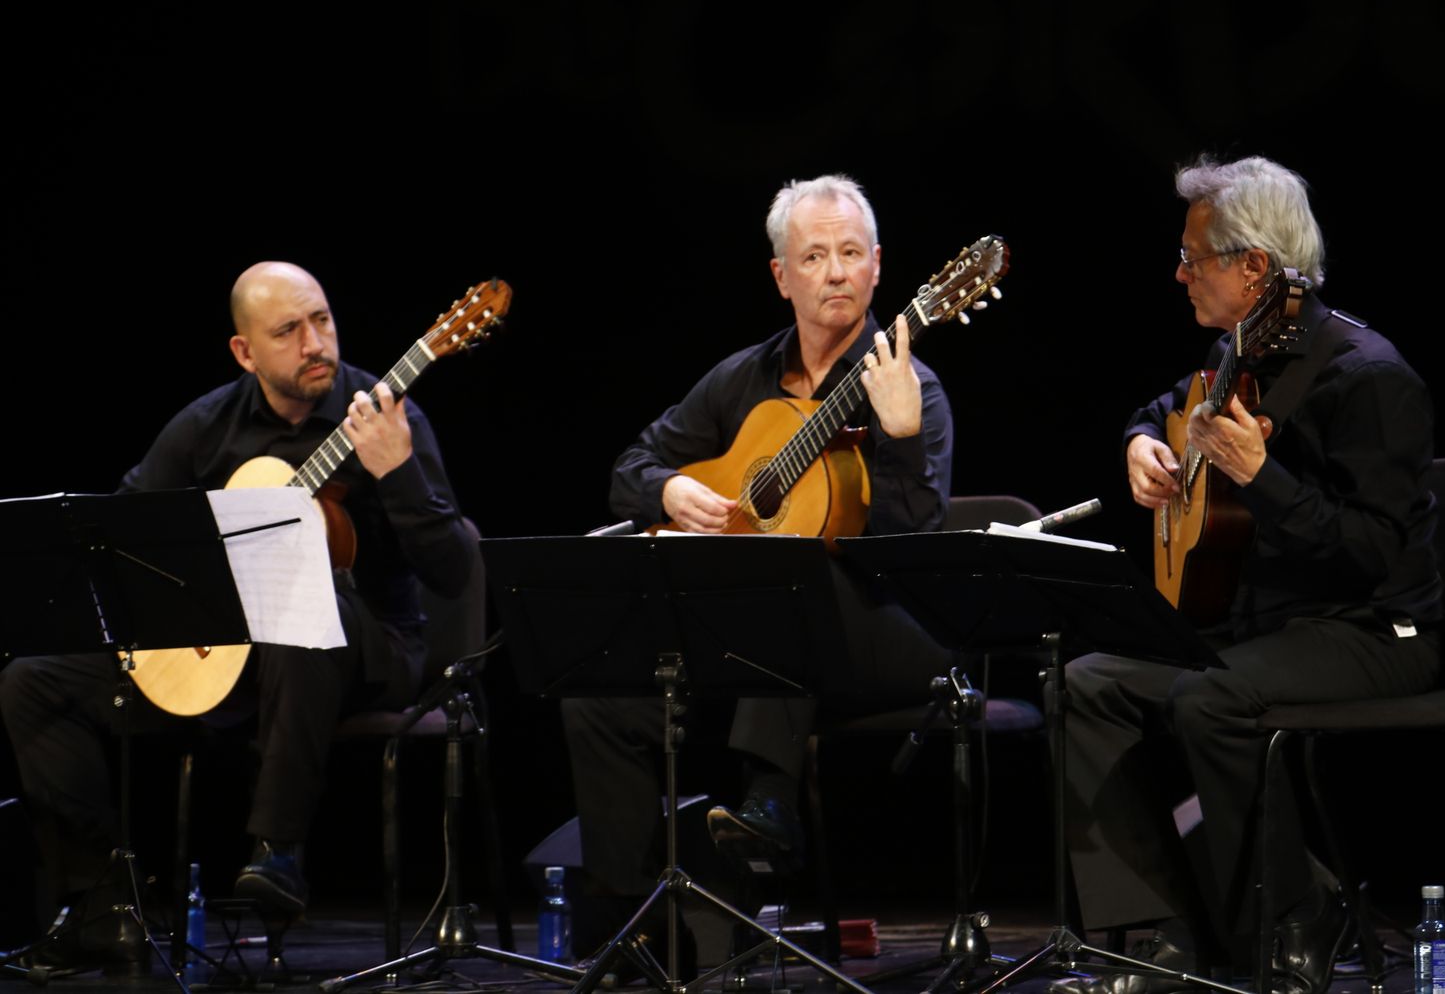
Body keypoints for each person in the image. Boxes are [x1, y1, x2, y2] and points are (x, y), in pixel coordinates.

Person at [0, 261, 474, 968]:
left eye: (322, 320)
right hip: (228, 664)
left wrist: (397, 471)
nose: (315, 343)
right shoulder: (205, 427)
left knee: (306, 600)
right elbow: (118, 538)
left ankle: (277, 852)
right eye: (288, 331)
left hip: (369, 649)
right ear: (245, 352)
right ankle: (103, 903)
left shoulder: (382, 416)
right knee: (32, 681)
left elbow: (452, 572)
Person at [1054, 157, 1443, 994]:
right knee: (1085, 684)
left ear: (1254, 268)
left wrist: (1264, 477)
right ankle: (1162, 937)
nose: (1180, 272)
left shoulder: (1369, 378)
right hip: (1267, 627)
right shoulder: (1240, 354)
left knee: (1208, 699)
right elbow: (1161, 406)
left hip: (1374, 630)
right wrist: (1139, 445)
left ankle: (1298, 915)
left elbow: (1373, 555)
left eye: (1195, 258)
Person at [561, 174, 955, 952]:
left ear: (878, 266)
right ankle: (631, 925)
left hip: (887, 631)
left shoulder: (910, 385)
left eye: (850, 253)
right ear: (783, 276)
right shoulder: (740, 379)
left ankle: (770, 805)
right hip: (755, 648)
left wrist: (902, 437)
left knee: (793, 576)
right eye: (814, 256)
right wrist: (672, 489)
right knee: (599, 697)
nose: (836, 271)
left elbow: (917, 553)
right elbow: (629, 468)